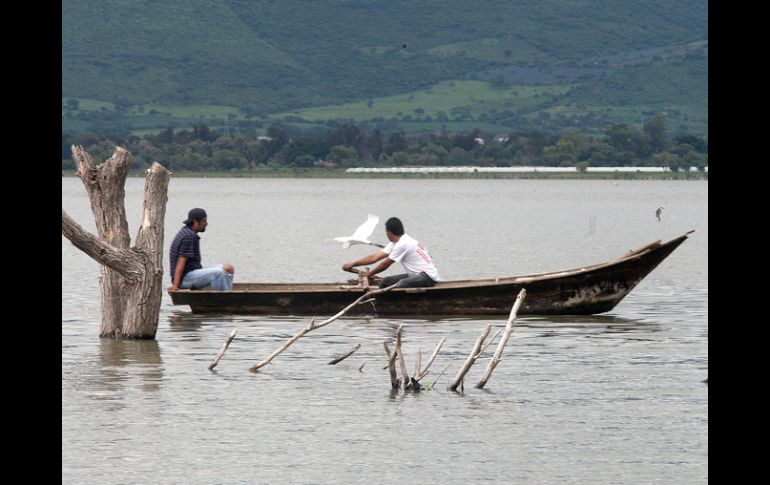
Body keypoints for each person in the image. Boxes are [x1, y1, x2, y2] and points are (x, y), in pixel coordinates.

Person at [342, 217, 440, 288]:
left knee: (402, 283)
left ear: (388, 232)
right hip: (415, 275)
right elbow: (374, 257)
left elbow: (385, 264)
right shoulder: (395, 242)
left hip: (427, 277)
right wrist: (353, 264)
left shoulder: (403, 243)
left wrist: (369, 274)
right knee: (386, 281)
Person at [168, 208, 235, 292]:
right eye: (204, 221)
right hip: (184, 279)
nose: (206, 223)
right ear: (195, 222)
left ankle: (227, 294)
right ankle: (221, 301)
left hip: (193, 273)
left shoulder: (187, 231)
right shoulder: (189, 236)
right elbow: (181, 262)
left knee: (229, 268)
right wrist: (175, 285)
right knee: (218, 273)